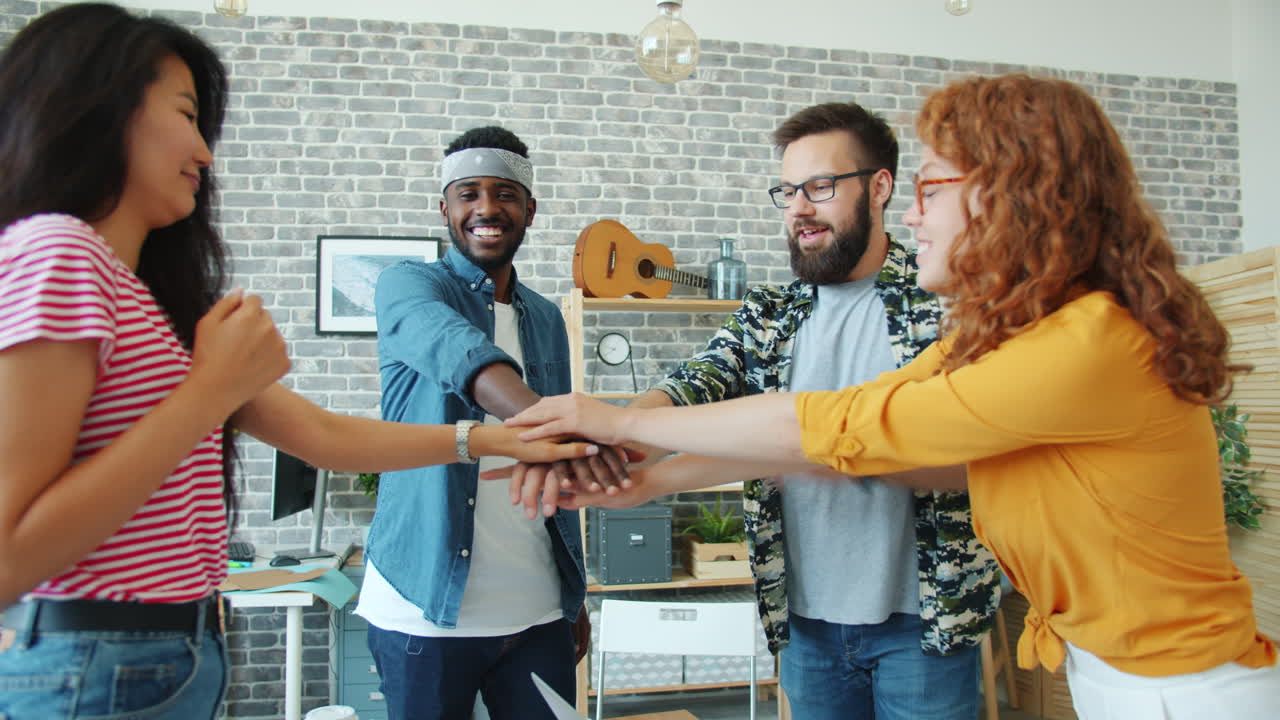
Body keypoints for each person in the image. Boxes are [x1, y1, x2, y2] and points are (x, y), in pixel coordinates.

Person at [506, 74, 1280, 718]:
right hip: (1104, 674)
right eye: (787, 190)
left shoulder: (1080, 341)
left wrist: (604, 419)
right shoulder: (995, 333)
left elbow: (850, 427)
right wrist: (638, 462)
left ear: (1015, 195)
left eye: (930, 190)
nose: (915, 213)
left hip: (1179, 689)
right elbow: (867, 440)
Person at [0, 5, 596, 719]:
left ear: (531, 208)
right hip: (98, 660)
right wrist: (210, 389)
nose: (205, 152)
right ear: (97, 108)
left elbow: (325, 437)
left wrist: (491, 439)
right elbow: (10, 556)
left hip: (178, 653)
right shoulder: (58, 253)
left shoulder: (153, 302)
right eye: (188, 115)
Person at [512, 102, 999, 720]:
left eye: (820, 187)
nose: (798, 207)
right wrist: (599, 452)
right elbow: (694, 384)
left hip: (924, 622)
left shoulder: (947, 304)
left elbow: (953, 454)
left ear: (880, 187)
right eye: (788, 190)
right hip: (804, 623)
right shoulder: (770, 312)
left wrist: (623, 433)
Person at [359, 125, 626, 720]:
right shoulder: (408, 285)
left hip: (536, 612)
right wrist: (560, 433)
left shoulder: (549, 317)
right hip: (423, 610)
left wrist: (569, 595)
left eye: (504, 194)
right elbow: (459, 355)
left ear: (529, 209)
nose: (486, 208)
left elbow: (556, 469)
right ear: (445, 207)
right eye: (469, 193)